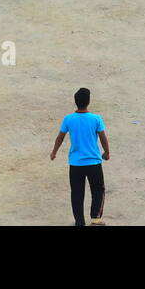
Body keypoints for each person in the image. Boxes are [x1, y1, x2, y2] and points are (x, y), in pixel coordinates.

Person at [50, 87, 109, 226]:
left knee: (76, 193)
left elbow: (60, 138)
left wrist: (54, 152)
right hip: (93, 162)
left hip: (76, 164)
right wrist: (107, 152)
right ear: (88, 101)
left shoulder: (68, 119)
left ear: (75, 102)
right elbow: (103, 138)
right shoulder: (96, 118)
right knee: (98, 189)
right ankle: (95, 218)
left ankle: (79, 222)